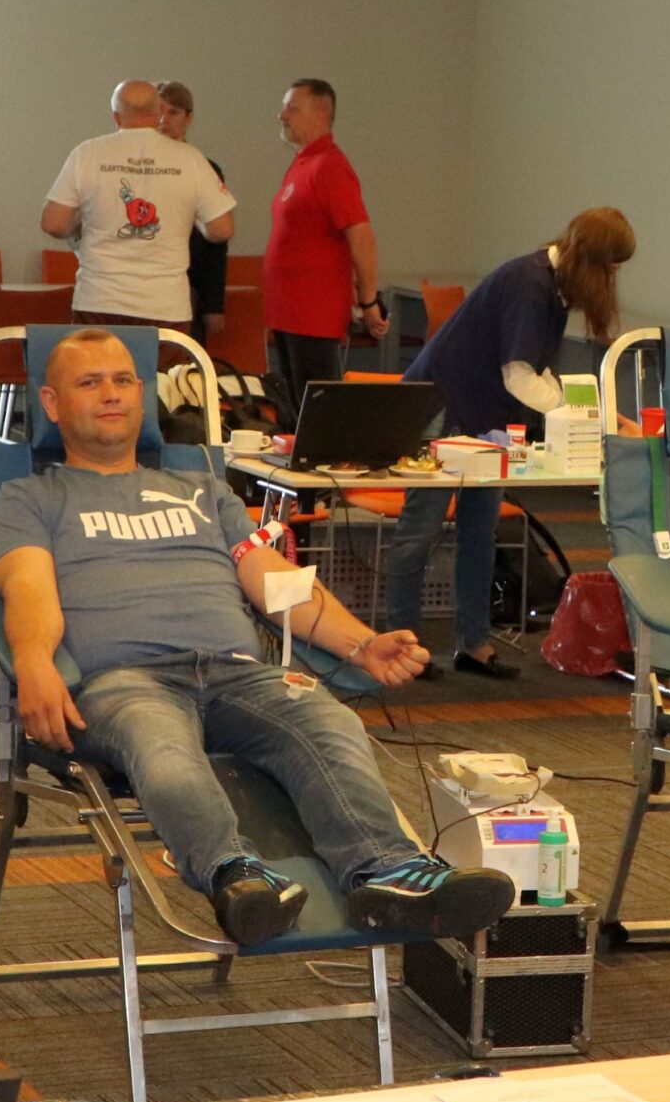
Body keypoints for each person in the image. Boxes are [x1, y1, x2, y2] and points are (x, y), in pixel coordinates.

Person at [0, 329, 515, 945]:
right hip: (124, 682)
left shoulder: (204, 492)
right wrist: (34, 664)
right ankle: (237, 877)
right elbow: (28, 593)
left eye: (123, 379)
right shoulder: (31, 498)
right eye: (89, 382)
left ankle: (387, 873)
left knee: (329, 723)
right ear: (51, 403)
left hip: (238, 673)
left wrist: (361, 643)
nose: (111, 394)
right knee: (163, 750)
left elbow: (272, 580)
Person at [389, 209, 636, 679]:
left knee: (480, 533)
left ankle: (473, 644)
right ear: (592, 261)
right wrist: (584, 414)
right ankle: (402, 645)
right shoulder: (530, 284)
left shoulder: (553, 287)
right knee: (418, 533)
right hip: (441, 405)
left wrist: (589, 410)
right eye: (611, 269)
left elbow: (535, 371)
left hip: (485, 418)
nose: (611, 281)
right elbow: (520, 377)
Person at [41, 80, 235, 348]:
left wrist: (84, 218)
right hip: (165, 305)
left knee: (98, 374)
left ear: (116, 117)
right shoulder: (191, 158)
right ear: (159, 113)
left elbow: (54, 223)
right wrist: (190, 218)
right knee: (162, 376)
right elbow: (222, 229)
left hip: (100, 300)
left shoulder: (88, 153)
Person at [263, 79, 385, 399]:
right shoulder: (303, 163)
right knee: (292, 407)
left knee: (316, 407)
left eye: (292, 108)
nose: (282, 116)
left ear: (320, 113)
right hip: (288, 314)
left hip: (313, 317)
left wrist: (368, 299)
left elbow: (360, 234)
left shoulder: (329, 165)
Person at [156, 80, 232, 349]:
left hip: (188, 283)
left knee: (181, 361)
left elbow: (217, 242)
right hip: (143, 283)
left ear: (188, 118)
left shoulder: (203, 167)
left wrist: (214, 304)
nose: (164, 120)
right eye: (158, 111)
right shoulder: (135, 165)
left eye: (173, 112)